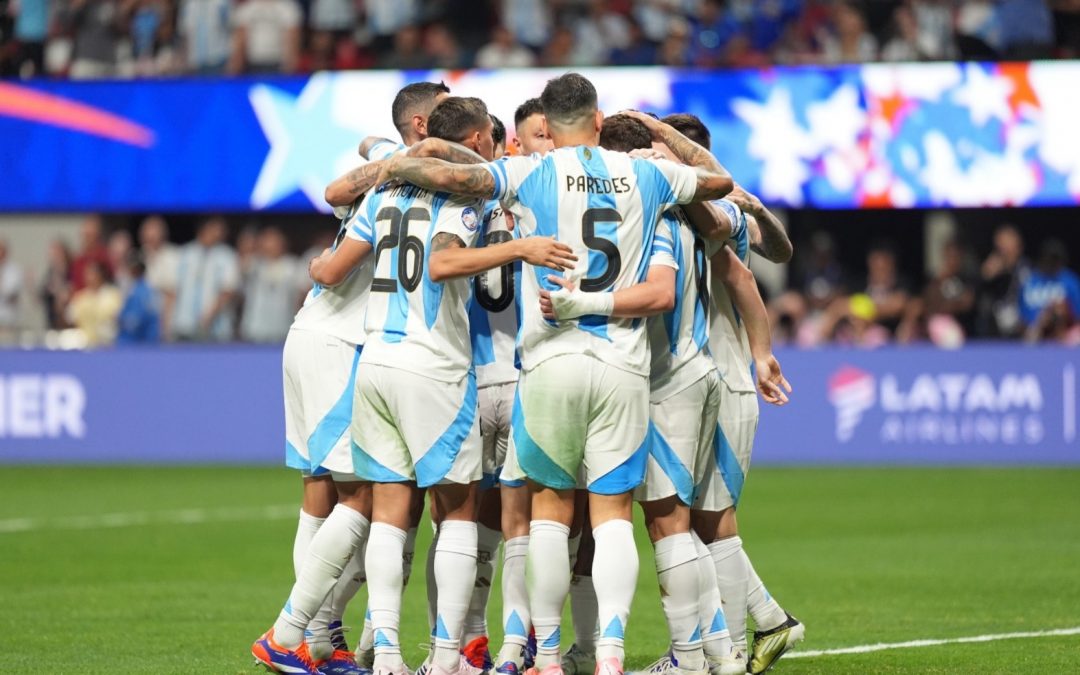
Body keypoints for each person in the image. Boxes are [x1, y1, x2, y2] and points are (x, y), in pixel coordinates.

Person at [374, 72, 735, 675]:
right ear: (597, 121)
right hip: (622, 364)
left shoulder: (529, 172)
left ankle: (540, 652)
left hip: (548, 361)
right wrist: (656, 139)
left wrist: (400, 160)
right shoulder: (646, 173)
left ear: (552, 122)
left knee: (548, 509)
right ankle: (612, 655)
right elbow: (720, 182)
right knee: (613, 512)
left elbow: (458, 179)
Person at [308, 95, 574, 675]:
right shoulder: (495, 194)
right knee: (479, 517)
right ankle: (470, 652)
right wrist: (523, 244)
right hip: (470, 370)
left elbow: (356, 171)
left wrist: (401, 153)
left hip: (385, 360)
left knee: (393, 513)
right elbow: (442, 260)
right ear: (483, 141)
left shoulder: (386, 187)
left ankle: (387, 653)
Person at [597, 114, 745, 675]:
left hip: (667, 379)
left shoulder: (647, 211)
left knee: (667, 523)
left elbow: (655, 293)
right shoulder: (688, 211)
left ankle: (688, 657)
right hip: (699, 368)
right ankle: (720, 651)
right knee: (683, 522)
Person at [655, 113, 803, 675]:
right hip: (712, 379)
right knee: (699, 520)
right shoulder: (708, 210)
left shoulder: (712, 214)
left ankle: (734, 647)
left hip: (714, 379)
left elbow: (747, 276)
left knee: (704, 520)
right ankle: (761, 626)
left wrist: (759, 354)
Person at [251, 204, 376, 675]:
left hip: (309, 335)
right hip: (337, 346)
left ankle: (317, 639)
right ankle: (304, 635)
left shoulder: (378, 181)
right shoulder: (414, 189)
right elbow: (331, 267)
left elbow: (338, 188)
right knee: (364, 496)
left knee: (318, 496)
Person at [171, 216, 240, 342]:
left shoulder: (226, 256)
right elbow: (174, 289)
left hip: (216, 328)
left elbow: (228, 290)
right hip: (184, 324)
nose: (218, 233)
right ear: (203, 230)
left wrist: (209, 316)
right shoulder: (186, 253)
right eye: (214, 229)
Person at [240, 227, 300, 343]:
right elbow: (242, 266)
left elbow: (300, 296)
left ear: (283, 243)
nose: (270, 245)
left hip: (283, 327)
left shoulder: (292, 265)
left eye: (274, 241)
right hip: (255, 328)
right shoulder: (254, 263)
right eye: (267, 240)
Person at [1020, 239, 1080, 341]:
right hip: (1035, 333)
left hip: (1066, 335)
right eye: (1049, 258)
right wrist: (1042, 319)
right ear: (1042, 258)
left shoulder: (1070, 280)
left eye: (1055, 259)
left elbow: (1077, 314)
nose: (1052, 263)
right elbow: (1022, 316)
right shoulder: (1030, 281)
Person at [227, 0, 302, 74]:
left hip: (278, 62)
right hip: (252, 62)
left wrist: (290, 63)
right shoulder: (247, 8)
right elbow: (241, 38)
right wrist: (236, 63)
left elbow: (292, 38)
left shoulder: (287, 7)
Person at [67, 260, 122, 347]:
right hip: (85, 344)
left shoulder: (113, 295)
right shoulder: (80, 297)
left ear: (101, 275)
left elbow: (118, 317)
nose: (90, 277)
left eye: (93, 273)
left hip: (109, 343)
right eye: (87, 274)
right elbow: (70, 319)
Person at [117, 255, 160, 343]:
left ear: (136, 270)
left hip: (140, 341)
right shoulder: (135, 288)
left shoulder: (143, 291)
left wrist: (121, 320)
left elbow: (137, 320)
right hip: (138, 339)